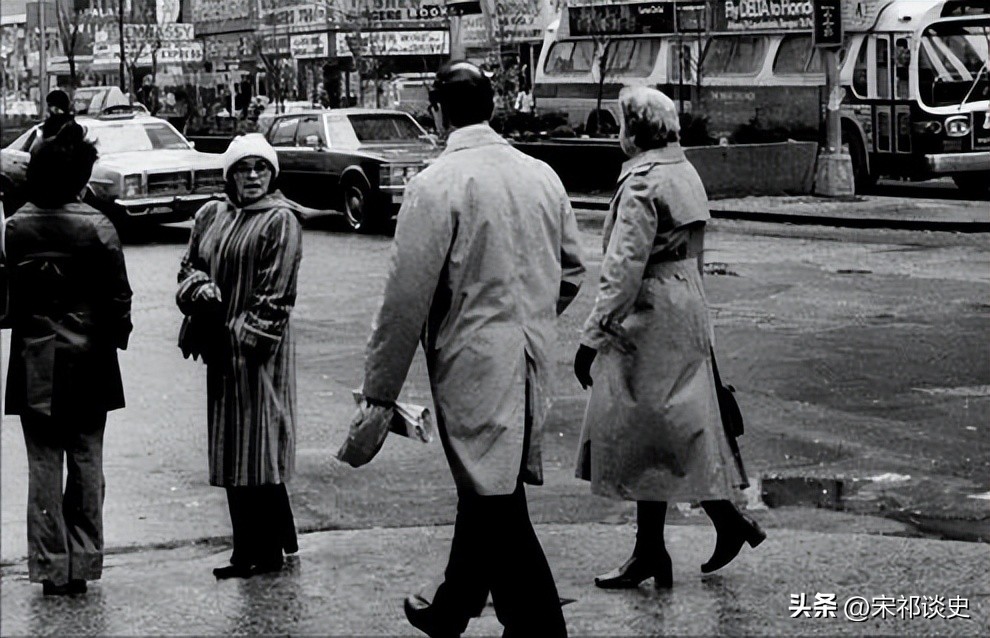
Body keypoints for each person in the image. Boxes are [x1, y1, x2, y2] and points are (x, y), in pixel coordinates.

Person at [356, 60, 585, 638]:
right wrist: (531, 315)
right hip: (532, 353)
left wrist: (379, 393)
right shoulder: (542, 175)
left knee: (492, 495)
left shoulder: (435, 184)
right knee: (489, 486)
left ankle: (537, 623)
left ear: (438, 112)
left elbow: (403, 301)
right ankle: (455, 606)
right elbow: (573, 271)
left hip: (472, 361)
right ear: (494, 106)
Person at [573, 86, 765, 590]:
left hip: (648, 316)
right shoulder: (685, 172)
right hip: (685, 305)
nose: (617, 133)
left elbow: (622, 270)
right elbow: (695, 252)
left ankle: (665, 547)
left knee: (649, 434)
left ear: (634, 131)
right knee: (671, 430)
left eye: (620, 124)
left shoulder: (641, 182)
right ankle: (697, 534)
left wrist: (591, 337)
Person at [3, 131, 133, 596]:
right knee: (86, 463)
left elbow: (12, 302)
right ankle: (82, 564)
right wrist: (116, 334)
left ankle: (50, 567)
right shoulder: (98, 226)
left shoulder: (17, 226)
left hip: (34, 358)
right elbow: (119, 299)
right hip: (90, 359)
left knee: (43, 467)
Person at [176, 134, 304, 580]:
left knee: (260, 446)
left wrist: (237, 338)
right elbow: (189, 266)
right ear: (229, 174)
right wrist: (201, 290)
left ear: (272, 174)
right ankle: (248, 546)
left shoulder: (280, 222)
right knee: (233, 451)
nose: (252, 176)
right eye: (243, 168)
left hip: (257, 354)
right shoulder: (213, 214)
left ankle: (264, 551)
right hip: (220, 351)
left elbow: (276, 295)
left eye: (261, 168)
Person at [29, 90, 83, 155]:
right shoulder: (77, 128)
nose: (48, 109)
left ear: (56, 107)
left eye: (50, 105)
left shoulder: (50, 126)